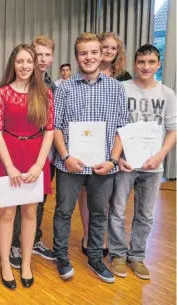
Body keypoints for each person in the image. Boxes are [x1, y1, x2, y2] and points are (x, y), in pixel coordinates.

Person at [53, 32, 127, 283]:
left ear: (102, 55)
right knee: (63, 212)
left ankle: (95, 258)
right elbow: (55, 127)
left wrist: (114, 161)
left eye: (94, 52)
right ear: (76, 57)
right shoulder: (63, 89)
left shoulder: (116, 88)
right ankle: (62, 257)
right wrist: (65, 156)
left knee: (99, 214)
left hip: (102, 166)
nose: (89, 57)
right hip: (70, 165)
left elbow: (121, 129)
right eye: (83, 53)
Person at [108, 44, 176, 280]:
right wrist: (117, 158)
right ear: (134, 64)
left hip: (153, 166)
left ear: (158, 64)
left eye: (151, 62)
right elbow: (114, 125)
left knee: (145, 215)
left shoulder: (167, 94)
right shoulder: (120, 88)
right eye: (141, 62)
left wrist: (160, 156)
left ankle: (136, 256)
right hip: (126, 163)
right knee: (116, 210)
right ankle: (117, 254)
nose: (145, 66)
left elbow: (173, 130)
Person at [0, 44, 54, 289]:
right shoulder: (3, 93)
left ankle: (26, 262)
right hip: (9, 156)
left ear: (35, 64)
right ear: (13, 64)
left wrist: (40, 164)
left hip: (35, 156)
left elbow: (49, 131)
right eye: (20, 61)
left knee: (30, 212)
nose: (25, 66)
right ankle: (6, 263)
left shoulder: (45, 93)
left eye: (29, 61)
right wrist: (9, 166)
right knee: (7, 213)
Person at [78, 32, 133, 257]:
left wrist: (116, 155)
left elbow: (123, 118)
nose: (109, 51)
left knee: (111, 198)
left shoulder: (124, 79)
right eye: (105, 47)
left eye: (113, 48)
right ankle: (87, 234)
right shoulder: (84, 73)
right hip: (85, 147)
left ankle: (104, 236)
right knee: (85, 193)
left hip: (114, 147)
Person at [9, 36, 57, 269]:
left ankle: (33, 239)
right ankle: (15, 243)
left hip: (44, 154)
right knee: (18, 203)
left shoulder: (53, 86)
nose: (41, 60)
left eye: (47, 55)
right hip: (21, 150)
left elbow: (51, 126)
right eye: (37, 55)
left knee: (38, 202)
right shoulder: (12, 88)